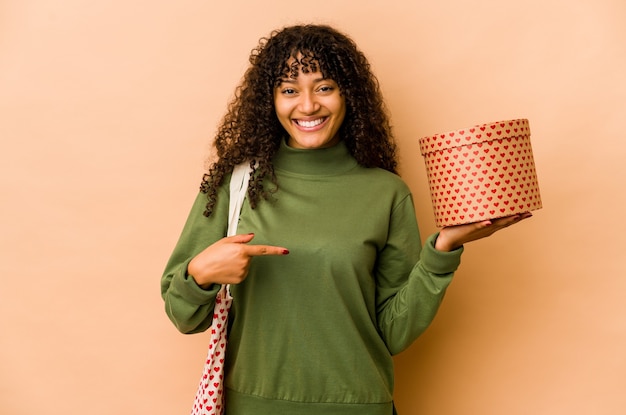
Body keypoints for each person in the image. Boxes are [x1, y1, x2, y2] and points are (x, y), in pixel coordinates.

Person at [161, 24, 532, 415]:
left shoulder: (385, 193)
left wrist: (444, 248)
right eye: (289, 90)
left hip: (359, 405)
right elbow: (183, 315)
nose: (307, 106)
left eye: (324, 87)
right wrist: (200, 273)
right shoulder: (234, 184)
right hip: (253, 407)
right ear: (269, 101)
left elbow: (391, 331)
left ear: (348, 95)